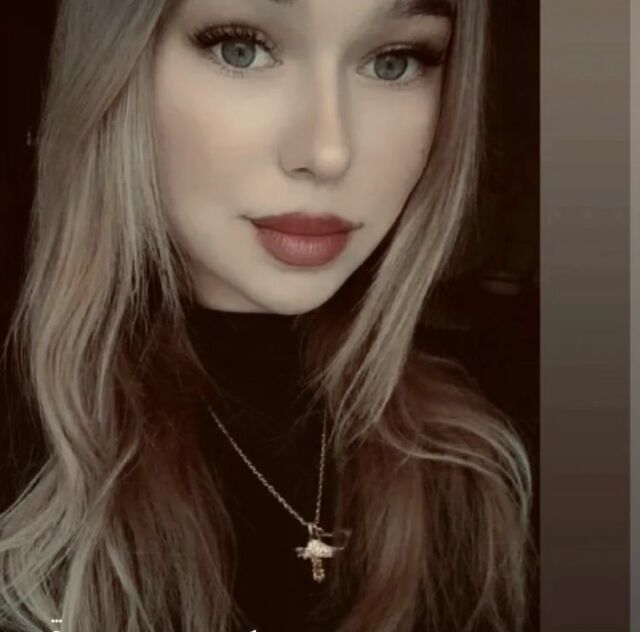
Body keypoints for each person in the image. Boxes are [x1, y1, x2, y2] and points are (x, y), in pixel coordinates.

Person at [0, 0, 536, 631]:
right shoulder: (24, 450)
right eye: (243, 49)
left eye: (393, 61)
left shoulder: (494, 457)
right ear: (113, 66)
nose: (328, 152)